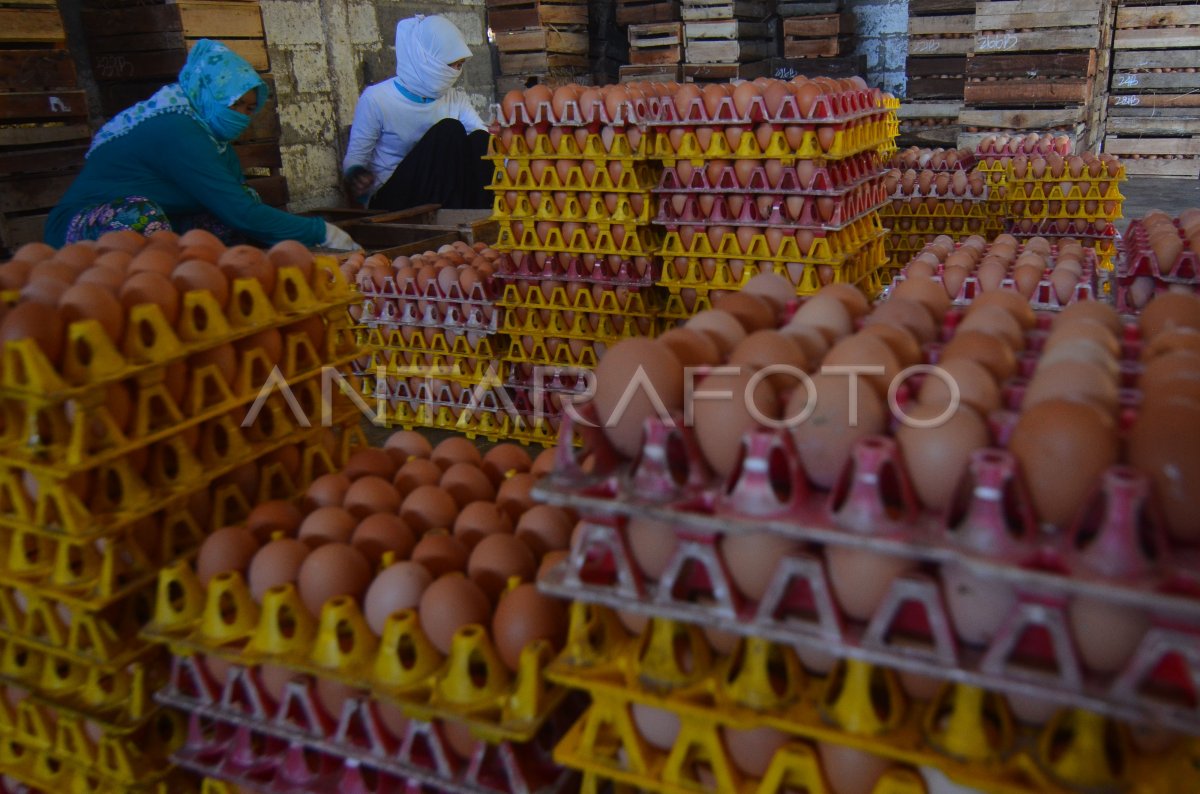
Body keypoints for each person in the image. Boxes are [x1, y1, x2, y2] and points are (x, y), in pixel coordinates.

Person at [45, 39, 358, 251]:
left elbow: (237, 202)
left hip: (166, 222)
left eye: (249, 109)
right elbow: (240, 212)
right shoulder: (175, 129)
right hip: (84, 227)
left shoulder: (215, 142)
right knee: (141, 216)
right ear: (208, 94)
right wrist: (321, 232)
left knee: (237, 204)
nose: (242, 117)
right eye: (235, 104)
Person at [342, 15, 492, 211]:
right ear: (426, 60)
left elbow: (484, 141)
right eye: (450, 64)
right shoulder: (376, 99)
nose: (456, 71)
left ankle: (478, 217)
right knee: (449, 130)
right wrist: (357, 175)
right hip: (394, 199)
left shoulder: (455, 98)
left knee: (481, 139)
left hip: (442, 192)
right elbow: (355, 158)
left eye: (460, 65)